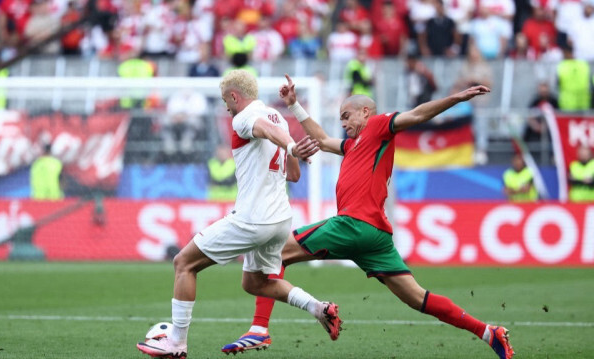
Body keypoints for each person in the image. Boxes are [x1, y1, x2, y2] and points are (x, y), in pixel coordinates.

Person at [221, 74, 515, 359]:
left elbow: (416, 115)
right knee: (418, 298)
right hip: (376, 237)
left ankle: (260, 327)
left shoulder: (379, 125)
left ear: (365, 112)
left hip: (353, 225)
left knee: (275, 253)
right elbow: (322, 140)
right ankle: (489, 332)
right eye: (341, 119)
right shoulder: (352, 146)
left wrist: (456, 98)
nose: (344, 123)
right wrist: (295, 106)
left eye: (347, 116)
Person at [136, 70, 342, 359]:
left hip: (253, 218)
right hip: (280, 219)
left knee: (183, 263)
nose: (225, 107)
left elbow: (263, 129)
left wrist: (292, 145)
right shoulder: (278, 117)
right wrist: (291, 148)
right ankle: (319, 308)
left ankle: (177, 343)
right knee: (254, 283)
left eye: (225, 100)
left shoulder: (245, 117)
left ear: (235, 96)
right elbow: (293, 174)